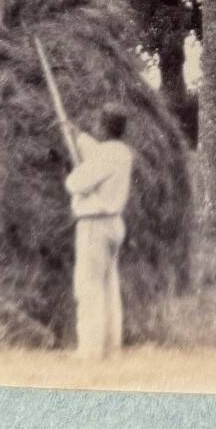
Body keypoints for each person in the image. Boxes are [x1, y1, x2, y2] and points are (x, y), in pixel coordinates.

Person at [64, 103, 134, 360]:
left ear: (104, 127)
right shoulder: (122, 152)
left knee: (89, 287)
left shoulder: (106, 156)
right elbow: (98, 154)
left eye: (97, 123)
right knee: (108, 287)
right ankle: (111, 348)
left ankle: (89, 352)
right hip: (114, 224)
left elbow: (76, 183)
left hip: (94, 224)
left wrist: (73, 171)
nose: (95, 126)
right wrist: (78, 136)